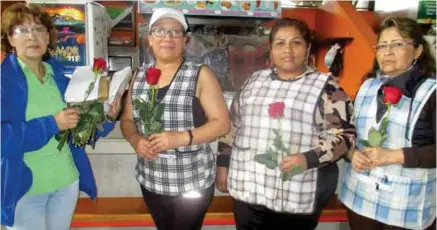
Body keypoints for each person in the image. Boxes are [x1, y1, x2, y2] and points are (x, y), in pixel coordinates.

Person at [216, 18, 355, 230]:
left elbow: (344, 135)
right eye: (280, 43)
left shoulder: (326, 88)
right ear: (270, 49)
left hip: (295, 193)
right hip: (249, 188)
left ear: (308, 47)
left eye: (296, 43)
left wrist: (308, 158)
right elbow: (232, 125)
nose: (287, 50)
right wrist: (223, 165)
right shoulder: (253, 81)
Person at [1, 3, 121, 230]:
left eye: (38, 29)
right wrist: (52, 124)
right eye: (22, 30)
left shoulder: (58, 75)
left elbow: (78, 128)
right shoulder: (3, 80)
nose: (31, 37)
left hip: (66, 183)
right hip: (25, 188)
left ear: (48, 37)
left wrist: (107, 118)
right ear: (9, 38)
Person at [120, 8, 230, 230]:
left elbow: (222, 123)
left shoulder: (200, 74)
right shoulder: (138, 76)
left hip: (192, 180)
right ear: (150, 39)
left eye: (175, 32)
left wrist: (180, 138)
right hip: (152, 179)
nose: (167, 37)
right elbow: (127, 121)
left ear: (185, 40)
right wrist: (135, 140)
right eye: (159, 31)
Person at [339, 17, 436, 230]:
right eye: (382, 46)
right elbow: (347, 133)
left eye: (398, 44)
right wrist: (352, 153)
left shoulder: (431, 93)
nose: (387, 51)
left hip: (405, 209)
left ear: (418, 51)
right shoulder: (367, 86)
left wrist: (394, 156)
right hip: (361, 201)